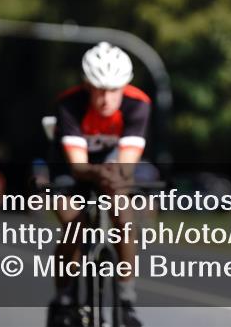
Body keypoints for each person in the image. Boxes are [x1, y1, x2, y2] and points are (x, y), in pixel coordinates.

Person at [46, 42, 155, 327]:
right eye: (99, 89)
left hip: (110, 166)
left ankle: (127, 301)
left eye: (114, 89)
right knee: (74, 222)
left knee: (124, 219)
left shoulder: (138, 104)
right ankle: (65, 297)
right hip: (71, 167)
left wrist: (116, 181)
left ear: (125, 86)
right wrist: (103, 174)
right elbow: (79, 167)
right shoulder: (69, 104)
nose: (106, 98)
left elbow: (127, 166)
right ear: (86, 85)